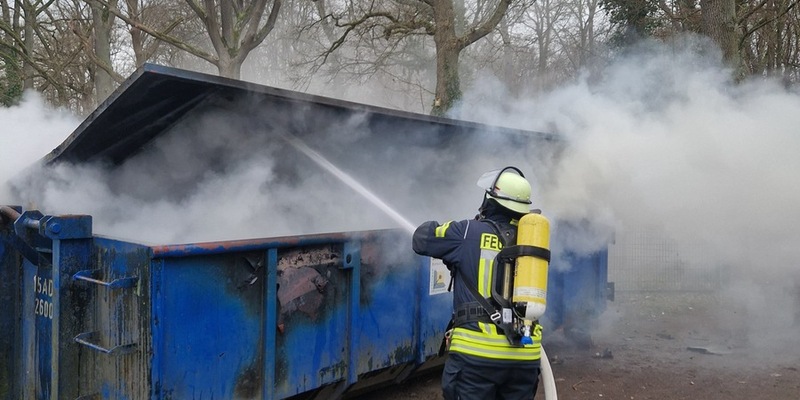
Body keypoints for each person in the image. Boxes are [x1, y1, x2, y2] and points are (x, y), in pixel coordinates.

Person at [412, 166, 542, 400]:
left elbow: (421, 239)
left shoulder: (466, 232)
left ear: (490, 201)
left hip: (477, 356)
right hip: (525, 356)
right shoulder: (533, 240)